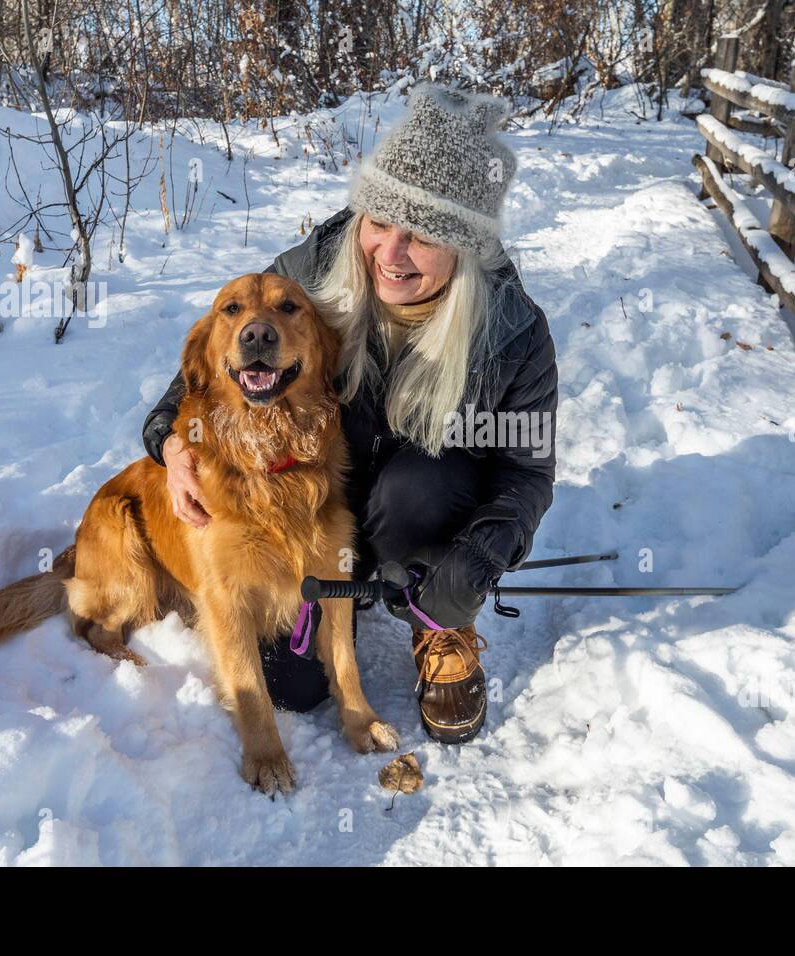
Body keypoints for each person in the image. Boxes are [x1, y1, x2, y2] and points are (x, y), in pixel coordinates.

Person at [141, 85, 558, 744]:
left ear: (465, 246)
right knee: (294, 691)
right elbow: (210, 365)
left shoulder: (513, 333)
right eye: (379, 222)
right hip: (314, 508)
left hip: (426, 507)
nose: (389, 254)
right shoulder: (312, 271)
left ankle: (438, 626)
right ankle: (343, 594)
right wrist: (171, 441)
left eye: (421, 235)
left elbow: (527, 472)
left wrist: (475, 561)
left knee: (419, 485)